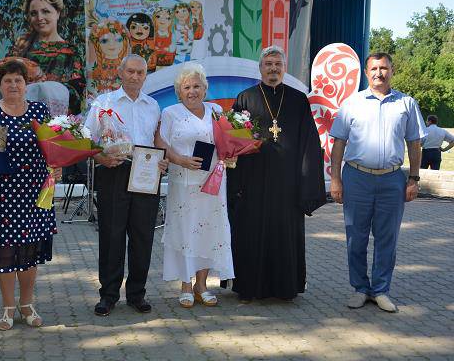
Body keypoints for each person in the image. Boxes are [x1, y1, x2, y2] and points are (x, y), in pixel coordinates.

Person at [0, 60, 62, 330]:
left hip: (34, 193)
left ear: (26, 84)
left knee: (29, 251)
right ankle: (8, 308)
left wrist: (57, 166)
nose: (13, 85)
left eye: (18, 80)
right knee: (5, 251)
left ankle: (27, 305)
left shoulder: (39, 111)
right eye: (8, 80)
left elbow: (52, 147)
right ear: (0, 85)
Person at [225, 45, 326, 302]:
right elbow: (233, 141)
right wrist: (236, 184)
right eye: (268, 64)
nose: (273, 69)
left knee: (285, 235)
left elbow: (309, 143)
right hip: (253, 182)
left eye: (278, 64)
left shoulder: (298, 99)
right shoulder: (245, 98)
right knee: (251, 233)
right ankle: (249, 287)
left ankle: (285, 288)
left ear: (284, 68)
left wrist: (306, 182)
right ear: (260, 68)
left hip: (287, 184)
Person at [330, 52, 427, 313]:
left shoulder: (406, 103)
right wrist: (336, 179)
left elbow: (414, 143)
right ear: (366, 72)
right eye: (374, 68)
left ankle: (381, 290)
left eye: (384, 68)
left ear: (392, 71)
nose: (379, 73)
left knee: (387, 238)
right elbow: (338, 143)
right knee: (356, 237)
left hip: (392, 179)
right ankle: (360, 289)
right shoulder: (352, 103)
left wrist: (414, 178)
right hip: (356, 178)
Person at [84, 54, 168, 316]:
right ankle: (108, 295)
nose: (135, 76)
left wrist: (164, 160)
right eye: (130, 71)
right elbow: (86, 138)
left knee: (143, 236)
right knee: (112, 235)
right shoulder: (104, 102)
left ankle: (136, 294)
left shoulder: (153, 105)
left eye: (140, 72)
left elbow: (158, 142)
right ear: (120, 73)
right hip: (114, 171)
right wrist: (101, 157)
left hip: (146, 173)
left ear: (145, 76)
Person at [156, 63, 234, 308]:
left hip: (213, 182)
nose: (192, 91)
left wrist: (231, 154)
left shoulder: (216, 111)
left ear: (205, 89)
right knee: (185, 230)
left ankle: (202, 285)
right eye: (187, 87)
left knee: (210, 230)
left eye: (197, 86)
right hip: (183, 182)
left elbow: (227, 140)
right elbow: (160, 142)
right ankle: (186, 285)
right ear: (179, 91)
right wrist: (180, 159)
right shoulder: (170, 113)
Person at [8, 0, 85, 114]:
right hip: (19, 115)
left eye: (45, 11)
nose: (40, 17)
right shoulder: (20, 47)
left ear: (58, 13)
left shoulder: (71, 52)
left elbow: (76, 95)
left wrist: (46, 87)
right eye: (34, 13)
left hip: (55, 120)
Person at [87, 19, 131, 97]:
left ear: (124, 42)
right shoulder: (94, 65)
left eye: (118, 40)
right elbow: (92, 89)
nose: (111, 44)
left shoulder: (127, 65)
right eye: (104, 41)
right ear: (97, 44)